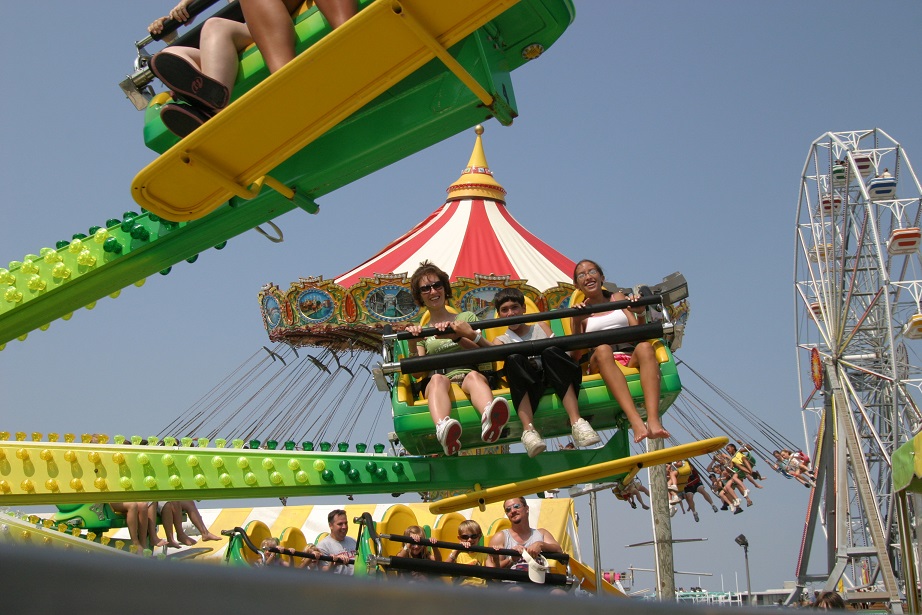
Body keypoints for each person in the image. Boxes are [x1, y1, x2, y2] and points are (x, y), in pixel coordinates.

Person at [148, 0, 356, 137]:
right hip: (255, 30)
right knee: (199, 36)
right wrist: (172, 32)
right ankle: (211, 108)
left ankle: (285, 78)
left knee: (220, 23)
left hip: (278, 21)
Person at [405, 261, 509, 456]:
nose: (433, 291)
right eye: (425, 288)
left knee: (474, 377)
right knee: (437, 380)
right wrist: (413, 343)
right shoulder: (423, 332)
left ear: (445, 288)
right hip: (438, 377)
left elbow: (481, 352)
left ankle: (490, 416)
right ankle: (443, 427)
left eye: (437, 285)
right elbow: (418, 373)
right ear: (420, 296)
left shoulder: (466, 318)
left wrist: (458, 336)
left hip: (467, 371)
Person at [483, 287, 600, 455]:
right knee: (514, 359)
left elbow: (565, 356)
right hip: (529, 384)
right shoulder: (501, 340)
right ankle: (528, 429)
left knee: (551, 351)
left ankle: (577, 421)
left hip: (553, 376)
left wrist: (576, 323)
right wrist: (473, 336)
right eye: (505, 310)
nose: (510, 313)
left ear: (524, 308)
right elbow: (488, 351)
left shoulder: (541, 326)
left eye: (515, 307)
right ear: (499, 315)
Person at [570, 259, 670, 443]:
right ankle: (635, 421)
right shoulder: (580, 311)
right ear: (577, 284)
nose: (588, 277)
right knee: (603, 350)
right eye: (581, 275)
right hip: (600, 361)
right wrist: (576, 322)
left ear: (602, 277)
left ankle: (653, 420)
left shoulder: (617, 298)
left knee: (645, 347)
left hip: (627, 355)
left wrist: (640, 313)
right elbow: (575, 355)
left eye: (592, 272)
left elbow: (637, 333)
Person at [487, 497, 565, 593]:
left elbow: (559, 550)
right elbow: (492, 571)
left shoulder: (541, 534)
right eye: (508, 509)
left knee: (559, 594)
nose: (513, 511)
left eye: (516, 506)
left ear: (526, 508)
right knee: (518, 592)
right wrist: (511, 559)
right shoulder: (501, 537)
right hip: (513, 584)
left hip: (541, 584)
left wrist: (540, 545)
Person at [446, 520, 487, 587]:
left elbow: (494, 575)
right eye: (465, 537)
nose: (469, 540)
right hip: (462, 588)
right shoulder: (457, 553)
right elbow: (445, 568)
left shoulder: (484, 554)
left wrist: (495, 557)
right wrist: (457, 551)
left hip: (480, 589)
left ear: (479, 537)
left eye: (473, 536)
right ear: (459, 538)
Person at [317, 509, 357, 574]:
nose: (344, 527)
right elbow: (322, 573)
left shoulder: (353, 541)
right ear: (331, 526)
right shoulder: (323, 546)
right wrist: (333, 563)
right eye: (340, 524)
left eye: (346, 523)